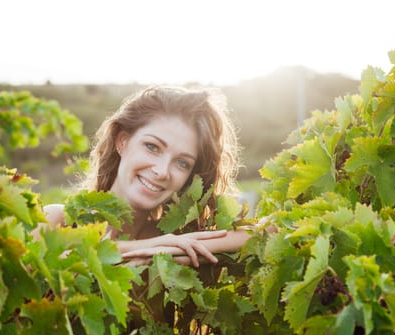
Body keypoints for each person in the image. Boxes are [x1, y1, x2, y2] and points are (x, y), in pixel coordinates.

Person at [35, 85, 250, 267]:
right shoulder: (55, 222)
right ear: (122, 141)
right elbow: (47, 263)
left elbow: (261, 233)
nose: (162, 171)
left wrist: (165, 245)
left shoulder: (173, 244)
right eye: (152, 147)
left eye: (182, 163)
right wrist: (145, 248)